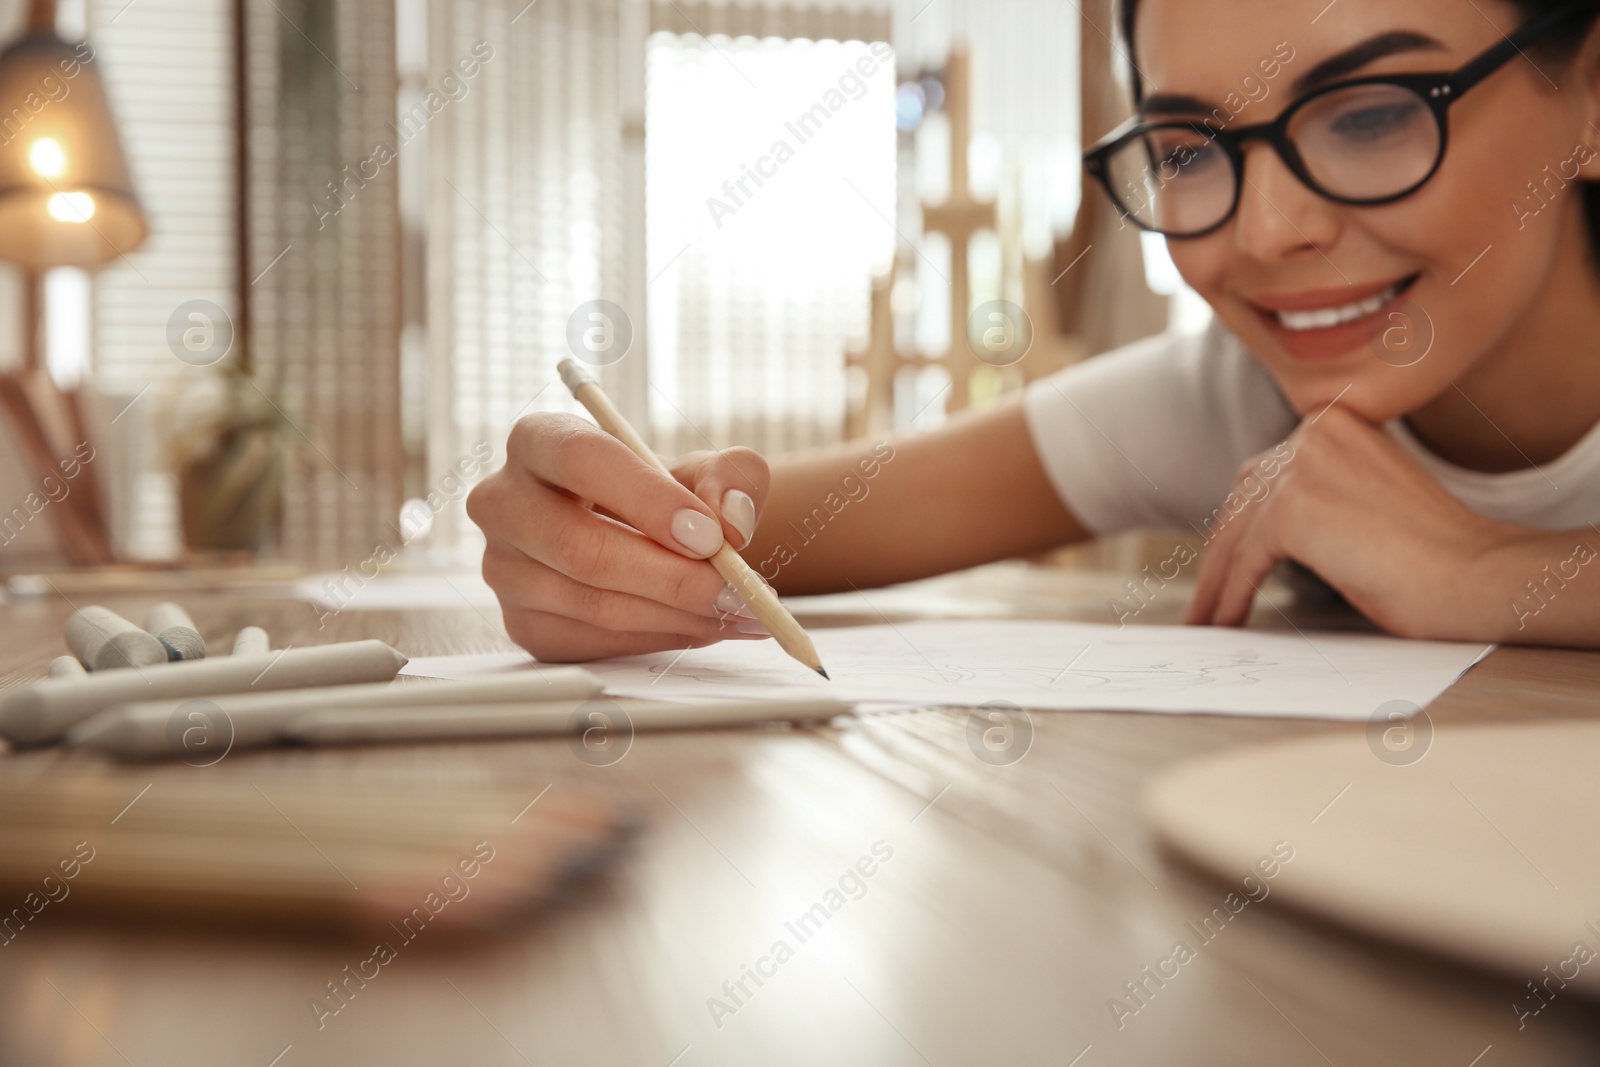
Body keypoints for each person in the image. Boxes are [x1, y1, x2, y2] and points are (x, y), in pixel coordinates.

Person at [468, 0, 1600, 661]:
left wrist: (1492, 573)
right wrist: (588, 537)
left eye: (1368, 114)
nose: (1264, 230)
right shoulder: (1231, 400)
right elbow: (746, 531)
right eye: (1189, 152)